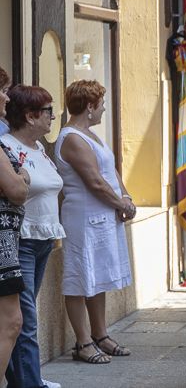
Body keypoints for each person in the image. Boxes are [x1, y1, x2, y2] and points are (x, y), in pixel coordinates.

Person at [54, 80, 134, 367]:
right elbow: (95, 181)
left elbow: (110, 170)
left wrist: (125, 195)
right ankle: (83, 341)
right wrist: (120, 204)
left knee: (96, 275)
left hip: (101, 215)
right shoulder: (72, 138)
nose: (102, 109)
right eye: (100, 104)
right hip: (83, 218)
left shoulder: (91, 135)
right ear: (89, 107)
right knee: (79, 277)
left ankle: (101, 335)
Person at [3, 85, 66, 387]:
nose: (54, 117)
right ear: (30, 116)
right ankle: (30, 383)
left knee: (25, 316)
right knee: (24, 319)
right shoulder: (7, 146)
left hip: (42, 240)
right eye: (48, 111)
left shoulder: (38, 148)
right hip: (21, 242)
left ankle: (25, 378)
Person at [0, 69, 29, 380]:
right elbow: (19, 190)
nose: (6, 97)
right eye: (1, 90)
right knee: (11, 321)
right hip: (1, 246)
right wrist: (19, 177)